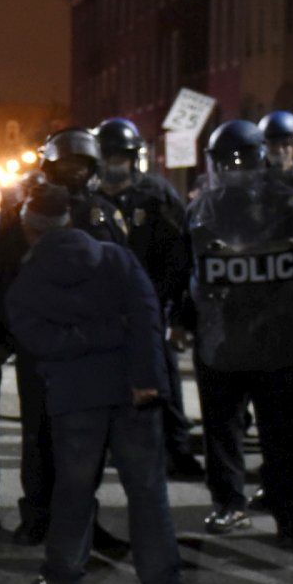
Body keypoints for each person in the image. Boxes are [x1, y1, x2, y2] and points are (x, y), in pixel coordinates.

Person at [1, 182, 191, 584]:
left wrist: (83, 339)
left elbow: (41, 342)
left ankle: (63, 580)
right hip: (132, 391)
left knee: (73, 489)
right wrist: (147, 378)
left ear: (30, 230)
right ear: (69, 220)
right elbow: (146, 319)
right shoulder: (117, 259)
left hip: (75, 397)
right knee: (146, 490)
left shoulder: (26, 284)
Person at [177, 122, 293, 543]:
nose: (235, 169)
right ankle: (235, 504)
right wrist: (185, 320)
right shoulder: (203, 209)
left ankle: (285, 511)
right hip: (227, 338)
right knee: (229, 431)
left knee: (280, 433)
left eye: (241, 160)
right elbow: (190, 274)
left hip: (270, 337)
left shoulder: (287, 203)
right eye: (228, 161)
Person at [0, 128, 129, 546]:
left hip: (91, 346)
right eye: (66, 164)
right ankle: (36, 517)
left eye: (83, 165)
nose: (75, 172)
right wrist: (7, 334)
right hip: (42, 344)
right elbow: (4, 276)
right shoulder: (25, 212)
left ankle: (83, 523)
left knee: (86, 440)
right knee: (38, 435)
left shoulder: (106, 214)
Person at [95, 117, 198, 478]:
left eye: (120, 156)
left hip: (149, 307)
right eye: (108, 156)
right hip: (102, 310)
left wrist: (164, 303)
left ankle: (177, 449)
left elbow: (178, 253)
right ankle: (108, 448)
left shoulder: (156, 196)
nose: (114, 164)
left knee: (162, 379)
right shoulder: (88, 200)